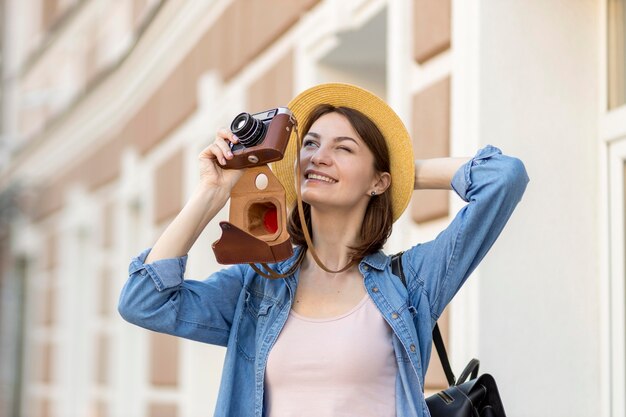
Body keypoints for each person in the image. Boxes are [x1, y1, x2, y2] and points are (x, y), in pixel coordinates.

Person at [118, 83, 529, 417]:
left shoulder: (412, 282)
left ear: (378, 182)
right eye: (310, 145)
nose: (318, 157)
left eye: (343, 148)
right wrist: (211, 193)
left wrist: (403, 172)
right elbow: (144, 301)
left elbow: (504, 177)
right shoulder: (259, 285)